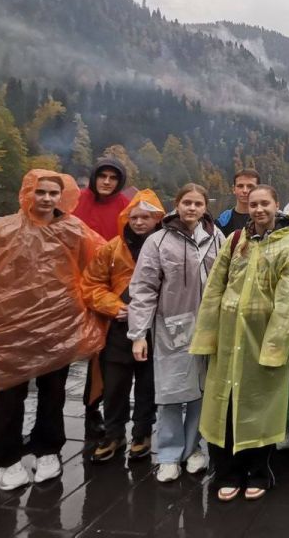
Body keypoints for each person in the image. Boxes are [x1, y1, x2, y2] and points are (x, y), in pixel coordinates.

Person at [0, 170, 106, 491]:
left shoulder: (73, 230)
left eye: (53, 193)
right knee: (9, 399)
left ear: (62, 196)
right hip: (10, 332)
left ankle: (48, 450)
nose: (47, 198)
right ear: (28, 193)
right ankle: (6, 459)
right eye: (41, 192)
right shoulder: (3, 231)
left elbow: (100, 262)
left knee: (53, 395)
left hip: (58, 330)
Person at [192, 185, 289, 501]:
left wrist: (274, 346)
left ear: (275, 205)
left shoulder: (288, 246)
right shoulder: (235, 240)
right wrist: (207, 334)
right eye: (253, 204)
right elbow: (215, 287)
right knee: (224, 407)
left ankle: (258, 471)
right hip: (229, 339)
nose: (258, 210)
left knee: (259, 406)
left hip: (261, 341)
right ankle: (227, 471)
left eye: (264, 203)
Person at [128, 183, 225, 483]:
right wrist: (139, 333)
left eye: (198, 203)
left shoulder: (216, 238)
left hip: (208, 327)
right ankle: (169, 453)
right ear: (177, 204)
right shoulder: (158, 241)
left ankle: (193, 448)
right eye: (187, 203)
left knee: (200, 390)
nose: (192, 208)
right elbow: (143, 288)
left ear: (205, 206)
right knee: (169, 391)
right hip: (172, 327)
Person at [82, 189, 165, 464]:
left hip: (154, 328)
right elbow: (92, 284)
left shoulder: (167, 246)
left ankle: (142, 432)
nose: (139, 222)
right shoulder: (111, 248)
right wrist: (115, 307)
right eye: (134, 217)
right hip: (117, 328)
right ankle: (114, 433)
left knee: (147, 384)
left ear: (157, 219)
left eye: (145, 217)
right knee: (115, 385)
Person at [73, 156, 132, 440]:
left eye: (113, 178)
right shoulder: (76, 202)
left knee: (102, 353)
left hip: (109, 288)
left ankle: (95, 408)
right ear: (94, 177)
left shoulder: (124, 207)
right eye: (103, 176)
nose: (107, 182)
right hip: (75, 285)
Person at [216, 169, 260, 237]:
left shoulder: (265, 217)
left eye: (250, 186)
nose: (245, 190)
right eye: (240, 186)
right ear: (233, 189)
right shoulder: (223, 221)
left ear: (258, 189)